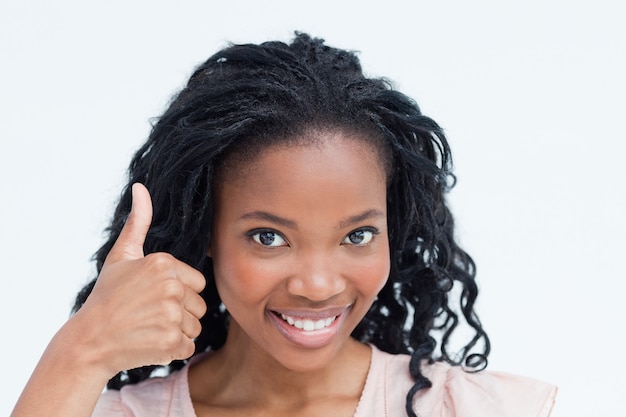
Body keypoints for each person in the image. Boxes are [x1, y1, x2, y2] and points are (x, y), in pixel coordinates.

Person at [11, 33, 557, 417]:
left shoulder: (470, 409)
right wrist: (80, 351)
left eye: (357, 235)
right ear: (205, 236)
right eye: (268, 237)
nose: (318, 285)